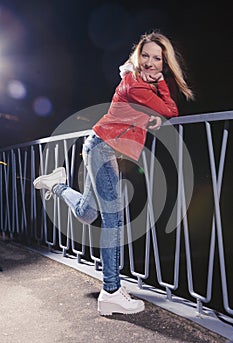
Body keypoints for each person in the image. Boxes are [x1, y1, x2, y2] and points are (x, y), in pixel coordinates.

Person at [33, 30, 194, 316]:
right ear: (138, 55)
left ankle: (57, 184)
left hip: (102, 148)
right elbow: (170, 109)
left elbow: (161, 111)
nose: (150, 62)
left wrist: (153, 107)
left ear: (164, 61)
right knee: (113, 219)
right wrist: (159, 91)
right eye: (145, 55)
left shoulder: (139, 81)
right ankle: (110, 291)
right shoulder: (136, 83)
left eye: (157, 58)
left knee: (87, 212)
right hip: (103, 149)